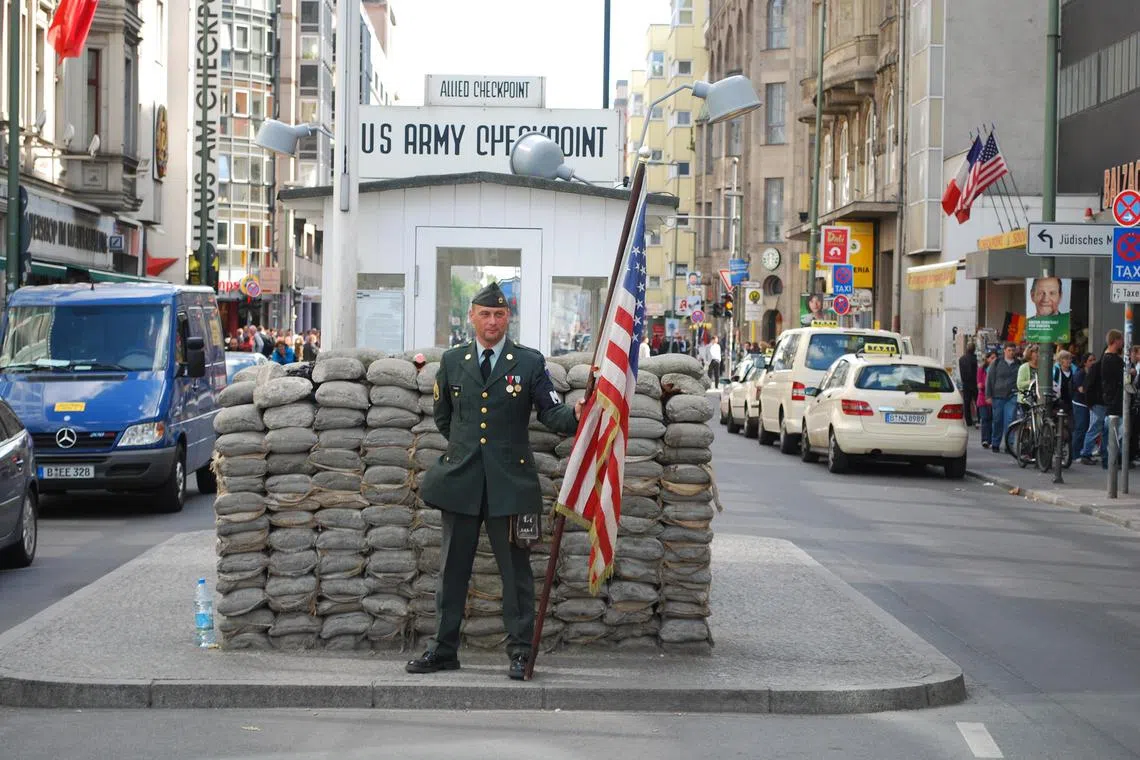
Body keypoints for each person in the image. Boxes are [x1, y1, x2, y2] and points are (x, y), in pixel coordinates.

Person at [407, 281, 583, 681]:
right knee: (452, 570)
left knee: (516, 575)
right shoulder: (453, 362)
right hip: (462, 481)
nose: (492, 321)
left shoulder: (529, 363)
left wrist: (577, 414)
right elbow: (445, 418)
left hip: (511, 485)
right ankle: (443, 649)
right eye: (485, 314)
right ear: (471, 316)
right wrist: (470, 452)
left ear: (508, 319)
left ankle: (520, 652)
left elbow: (551, 414)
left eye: (499, 315)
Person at [985, 342, 1020, 453]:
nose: (1011, 352)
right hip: (998, 396)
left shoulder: (1018, 364)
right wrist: (988, 395)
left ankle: (1009, 445)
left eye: (1013, 350)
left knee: (1010, 420)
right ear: (1004, 350)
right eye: (1009, 350)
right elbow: (989, 380)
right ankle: (995, 443)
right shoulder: (996, 363)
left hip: (1012, 396)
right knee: (998, 420)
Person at [1071, 353, 1092, 461]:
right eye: (1090, 360)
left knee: (1086, 427)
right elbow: (1081, 390)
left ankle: (1082, 450)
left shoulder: (1091, 373)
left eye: (1094, 360)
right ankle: (1075, 453)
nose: (1092, 362)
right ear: (1085, 363)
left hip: (1087, 403)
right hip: (1079, 403)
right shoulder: (1080, 374)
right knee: (1080, 427)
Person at [977, 350, 996, 448]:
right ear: (987, 359)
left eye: (995, 358)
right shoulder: (982, 369)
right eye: (992, 358)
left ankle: (991, 440)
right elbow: (980, 385)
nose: (994, 360)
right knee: (985, 419)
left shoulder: (997, 369)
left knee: (993, 420)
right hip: (983, 398)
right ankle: (985, 440)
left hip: (994, 398)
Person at [959, 342, 978, 427]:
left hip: (965, 383)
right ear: (974, 349)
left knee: (967, 403)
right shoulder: (975, 359)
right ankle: (979, 418)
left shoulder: (961, 359)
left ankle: (968, 421)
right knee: (978, 402)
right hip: (974, 383)